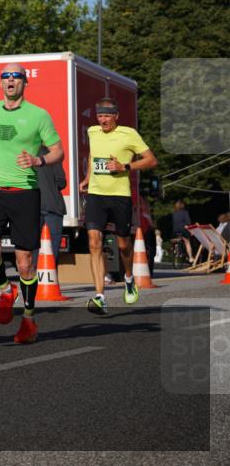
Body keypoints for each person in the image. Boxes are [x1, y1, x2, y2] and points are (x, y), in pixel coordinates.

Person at [0, 63, 64, 344]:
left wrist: (39, 160)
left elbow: (58, 150)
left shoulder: (39, 116)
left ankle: (28, 319)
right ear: (0, 83)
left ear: (25, 83)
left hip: (25, 192)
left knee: (25, 264)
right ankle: (4, 289)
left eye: (16, 77)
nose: (10, 81)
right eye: (5, 77)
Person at [78, 97, 158, 315]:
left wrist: (125, 165)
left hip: (119, 195)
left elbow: (151, 160)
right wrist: (87, 178)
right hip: (96, 194)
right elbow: (94, 157)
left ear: (116, 116)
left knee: (123, 245)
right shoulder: (93, 132)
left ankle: (129, 277)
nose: (102, 120)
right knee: (95, 241)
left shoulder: (129, 134)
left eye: (106, 115)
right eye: (100, 115)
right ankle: (100, 296)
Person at [37, 145, 67, 262]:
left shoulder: (23, 153)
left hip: (32, 207)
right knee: (52, 253)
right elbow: (61, 182)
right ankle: (49, 278)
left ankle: (34, 278)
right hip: (52, 206)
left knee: (33, 250)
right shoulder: (51, 154)